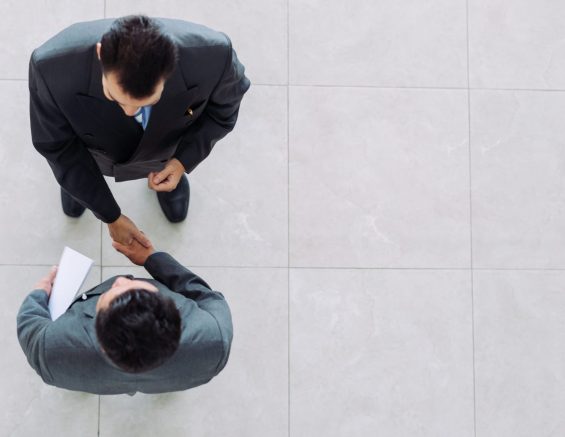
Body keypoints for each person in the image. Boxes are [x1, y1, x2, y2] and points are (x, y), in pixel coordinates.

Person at [29, 15, 250, 246]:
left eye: (147, 102)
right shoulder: (50, 67)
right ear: (100, 53)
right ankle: (82, 189)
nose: (130, 112)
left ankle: (167, 179)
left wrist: (182, 161)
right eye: (116, 97)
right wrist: (109, 214)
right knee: (77, 176)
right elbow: (58, 146)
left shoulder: (215, 56)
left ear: (170, 70)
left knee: (162, 159)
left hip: (166, 146)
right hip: (91, 149)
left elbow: (222, 114)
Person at [16, 238, 233, 394]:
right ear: (176, 315)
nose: (120, 280)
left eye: (111, 293)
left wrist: (39, 293)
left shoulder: (49, 350)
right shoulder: (216, 338)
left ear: (100, 342)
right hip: (168, 381)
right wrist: (152, 259)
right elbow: (207, 297)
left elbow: (29, 322)